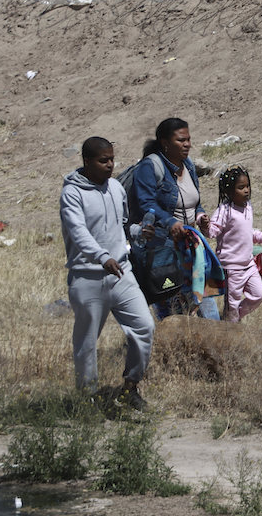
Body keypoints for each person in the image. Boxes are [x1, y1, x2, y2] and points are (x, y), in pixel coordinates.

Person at [60, 136, 153, 410]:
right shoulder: (72, 194)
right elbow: (79, 233)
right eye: (103, 160)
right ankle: (86, 400)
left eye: (112, 159)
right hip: (87, 277)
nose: (110, 165)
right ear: (87, 161)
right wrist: (102, 257)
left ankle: (130, 387)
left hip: (121, 273)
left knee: (144, 327)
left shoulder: (115, 188)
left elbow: (121, 225)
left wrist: (137, 233)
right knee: (87, 343)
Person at [130, 117, 219, 319]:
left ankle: (212, 343)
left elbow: (194, 201)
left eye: (188, 139)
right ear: (164, 142)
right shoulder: (149, 167)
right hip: (164, 249)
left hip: (191, 249)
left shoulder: (188, 165)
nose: (187, 144)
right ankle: (171, 346)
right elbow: (146, 204)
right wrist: (170, 222)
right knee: (170, 308)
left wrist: (200, 215)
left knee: (205, 302)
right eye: (180, 140)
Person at [208, 165, 262, 322]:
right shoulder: (225, 210)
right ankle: (231, 325)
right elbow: (212, 232)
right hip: (232, 268)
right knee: (232, 303)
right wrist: (204, 224)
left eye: (247, 186)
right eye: (241, 187)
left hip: (249, 264)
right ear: (229, 192)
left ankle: (232, 319)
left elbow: (247, 233)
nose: (246, 190)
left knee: (259, 294)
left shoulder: (248, 207)